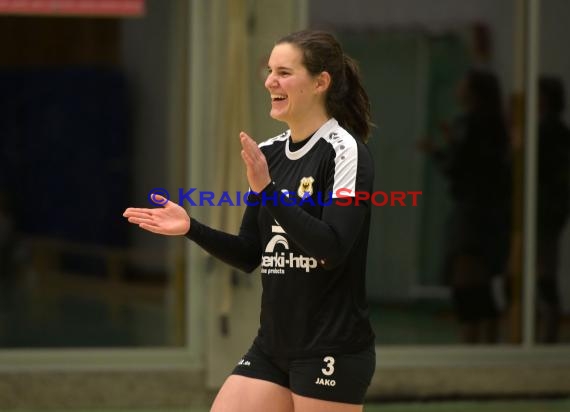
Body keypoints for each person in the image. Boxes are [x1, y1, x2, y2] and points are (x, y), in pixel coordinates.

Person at [123, 30, 376, 412]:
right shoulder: (270, 153)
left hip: (331, 348)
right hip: (272, 347)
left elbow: (332, 249)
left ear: (321, 82)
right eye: (270, 70)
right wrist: (191, 227)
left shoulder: (345, 152)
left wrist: (269, 191)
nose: (270, 81)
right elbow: (249, 253)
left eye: (284, 72)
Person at [420, 69, 511, 344]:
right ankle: (485, 340)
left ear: (473, 92)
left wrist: (438, 151)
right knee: (477, 279)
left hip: (472, 210)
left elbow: (458, 165)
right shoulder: (495, 125)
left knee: (466, 281)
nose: (458, 89)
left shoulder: (472, 123)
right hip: (489, 210)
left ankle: (472, 340)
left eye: (463, 85)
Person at [536, 76, 570, 343]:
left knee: (544, 277)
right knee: (543, 276)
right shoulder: (555, 130)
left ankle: (548, 336)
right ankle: (545, 334)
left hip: (544, 215)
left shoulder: (548, 131)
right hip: (549, 214)